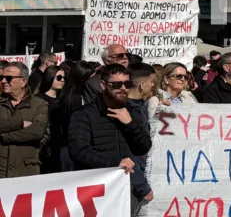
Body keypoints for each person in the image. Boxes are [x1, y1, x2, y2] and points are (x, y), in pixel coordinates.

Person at [68, 64, 153, 214]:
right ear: (103, 85)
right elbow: (79, 150)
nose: (123, 88)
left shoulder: (132, 112)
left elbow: (144, 147)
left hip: (127, 189)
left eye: (126, 84)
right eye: (116, 84)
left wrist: (130, 124)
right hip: (95, 191)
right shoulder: (84, 114)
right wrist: (115, 163)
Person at [0, 62, 48, 178]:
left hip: (25, 172)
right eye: (1, 78)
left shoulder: (39, 104)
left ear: (23, 81)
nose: (3, 81)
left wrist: (3, 136)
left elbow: (36, 132)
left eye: (9, 78)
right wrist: (20, 123)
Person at [125, 63, 156, 206]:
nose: (153, 85)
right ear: (142, 85)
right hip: (130, 181)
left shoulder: (139, 105)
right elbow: (128, 152)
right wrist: (141, 185)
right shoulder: (127, 112)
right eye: (152, 82)